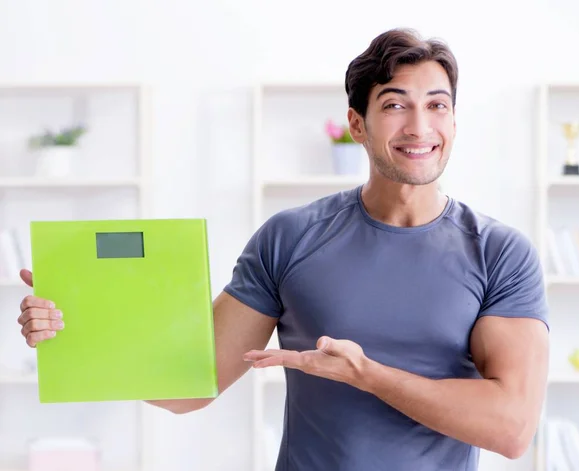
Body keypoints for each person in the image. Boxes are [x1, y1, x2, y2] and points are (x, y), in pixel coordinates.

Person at [17, 27, 549, 471]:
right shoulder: (291, 238)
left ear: (453, 122)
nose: (419, 126)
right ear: (357, 124)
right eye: (395, 104)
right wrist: (82, 328)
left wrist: (369, 375)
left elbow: (511, 427)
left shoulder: (499, 253)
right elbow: (188, 388)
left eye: (437, 105)